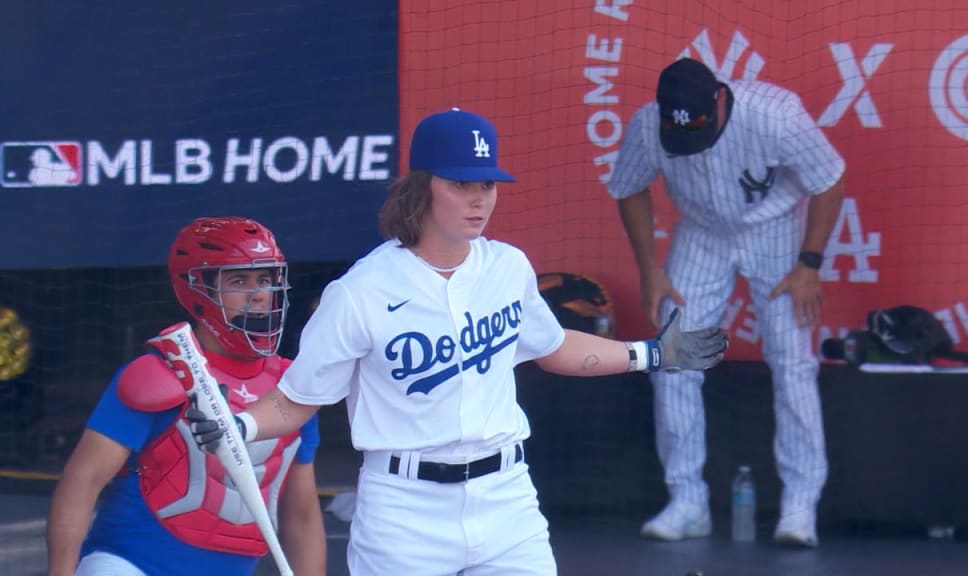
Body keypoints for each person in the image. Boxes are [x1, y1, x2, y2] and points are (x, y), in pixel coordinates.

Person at [187, 107, 729, 576]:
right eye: (460, 184)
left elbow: (552, 346)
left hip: (505, 494)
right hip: (404, 506)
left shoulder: (508, 267)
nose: (479, 200)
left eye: (486, 185)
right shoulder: (359, 292)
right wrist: (242, 426)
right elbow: (297, 398)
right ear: (422, 188)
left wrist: (653, 354)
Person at [607, 58, 845, 547]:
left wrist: (810, 264)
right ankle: (686, 500)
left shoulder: (775, 114)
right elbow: (628, 188)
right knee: (671, 358)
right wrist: (650, 270)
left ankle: (801, 506)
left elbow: (829, 178)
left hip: (774, 230)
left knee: (792, 361)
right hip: (702, 234)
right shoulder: (648, 125)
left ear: (718, 99)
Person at [46, 217, 326, 576]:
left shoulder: (291, 387)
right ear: (198, 291)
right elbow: (82, 481)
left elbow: (300, 514)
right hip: (129, 565)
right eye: (240, 280)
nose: (259, 294)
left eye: (267, 279)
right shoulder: (158, 373)